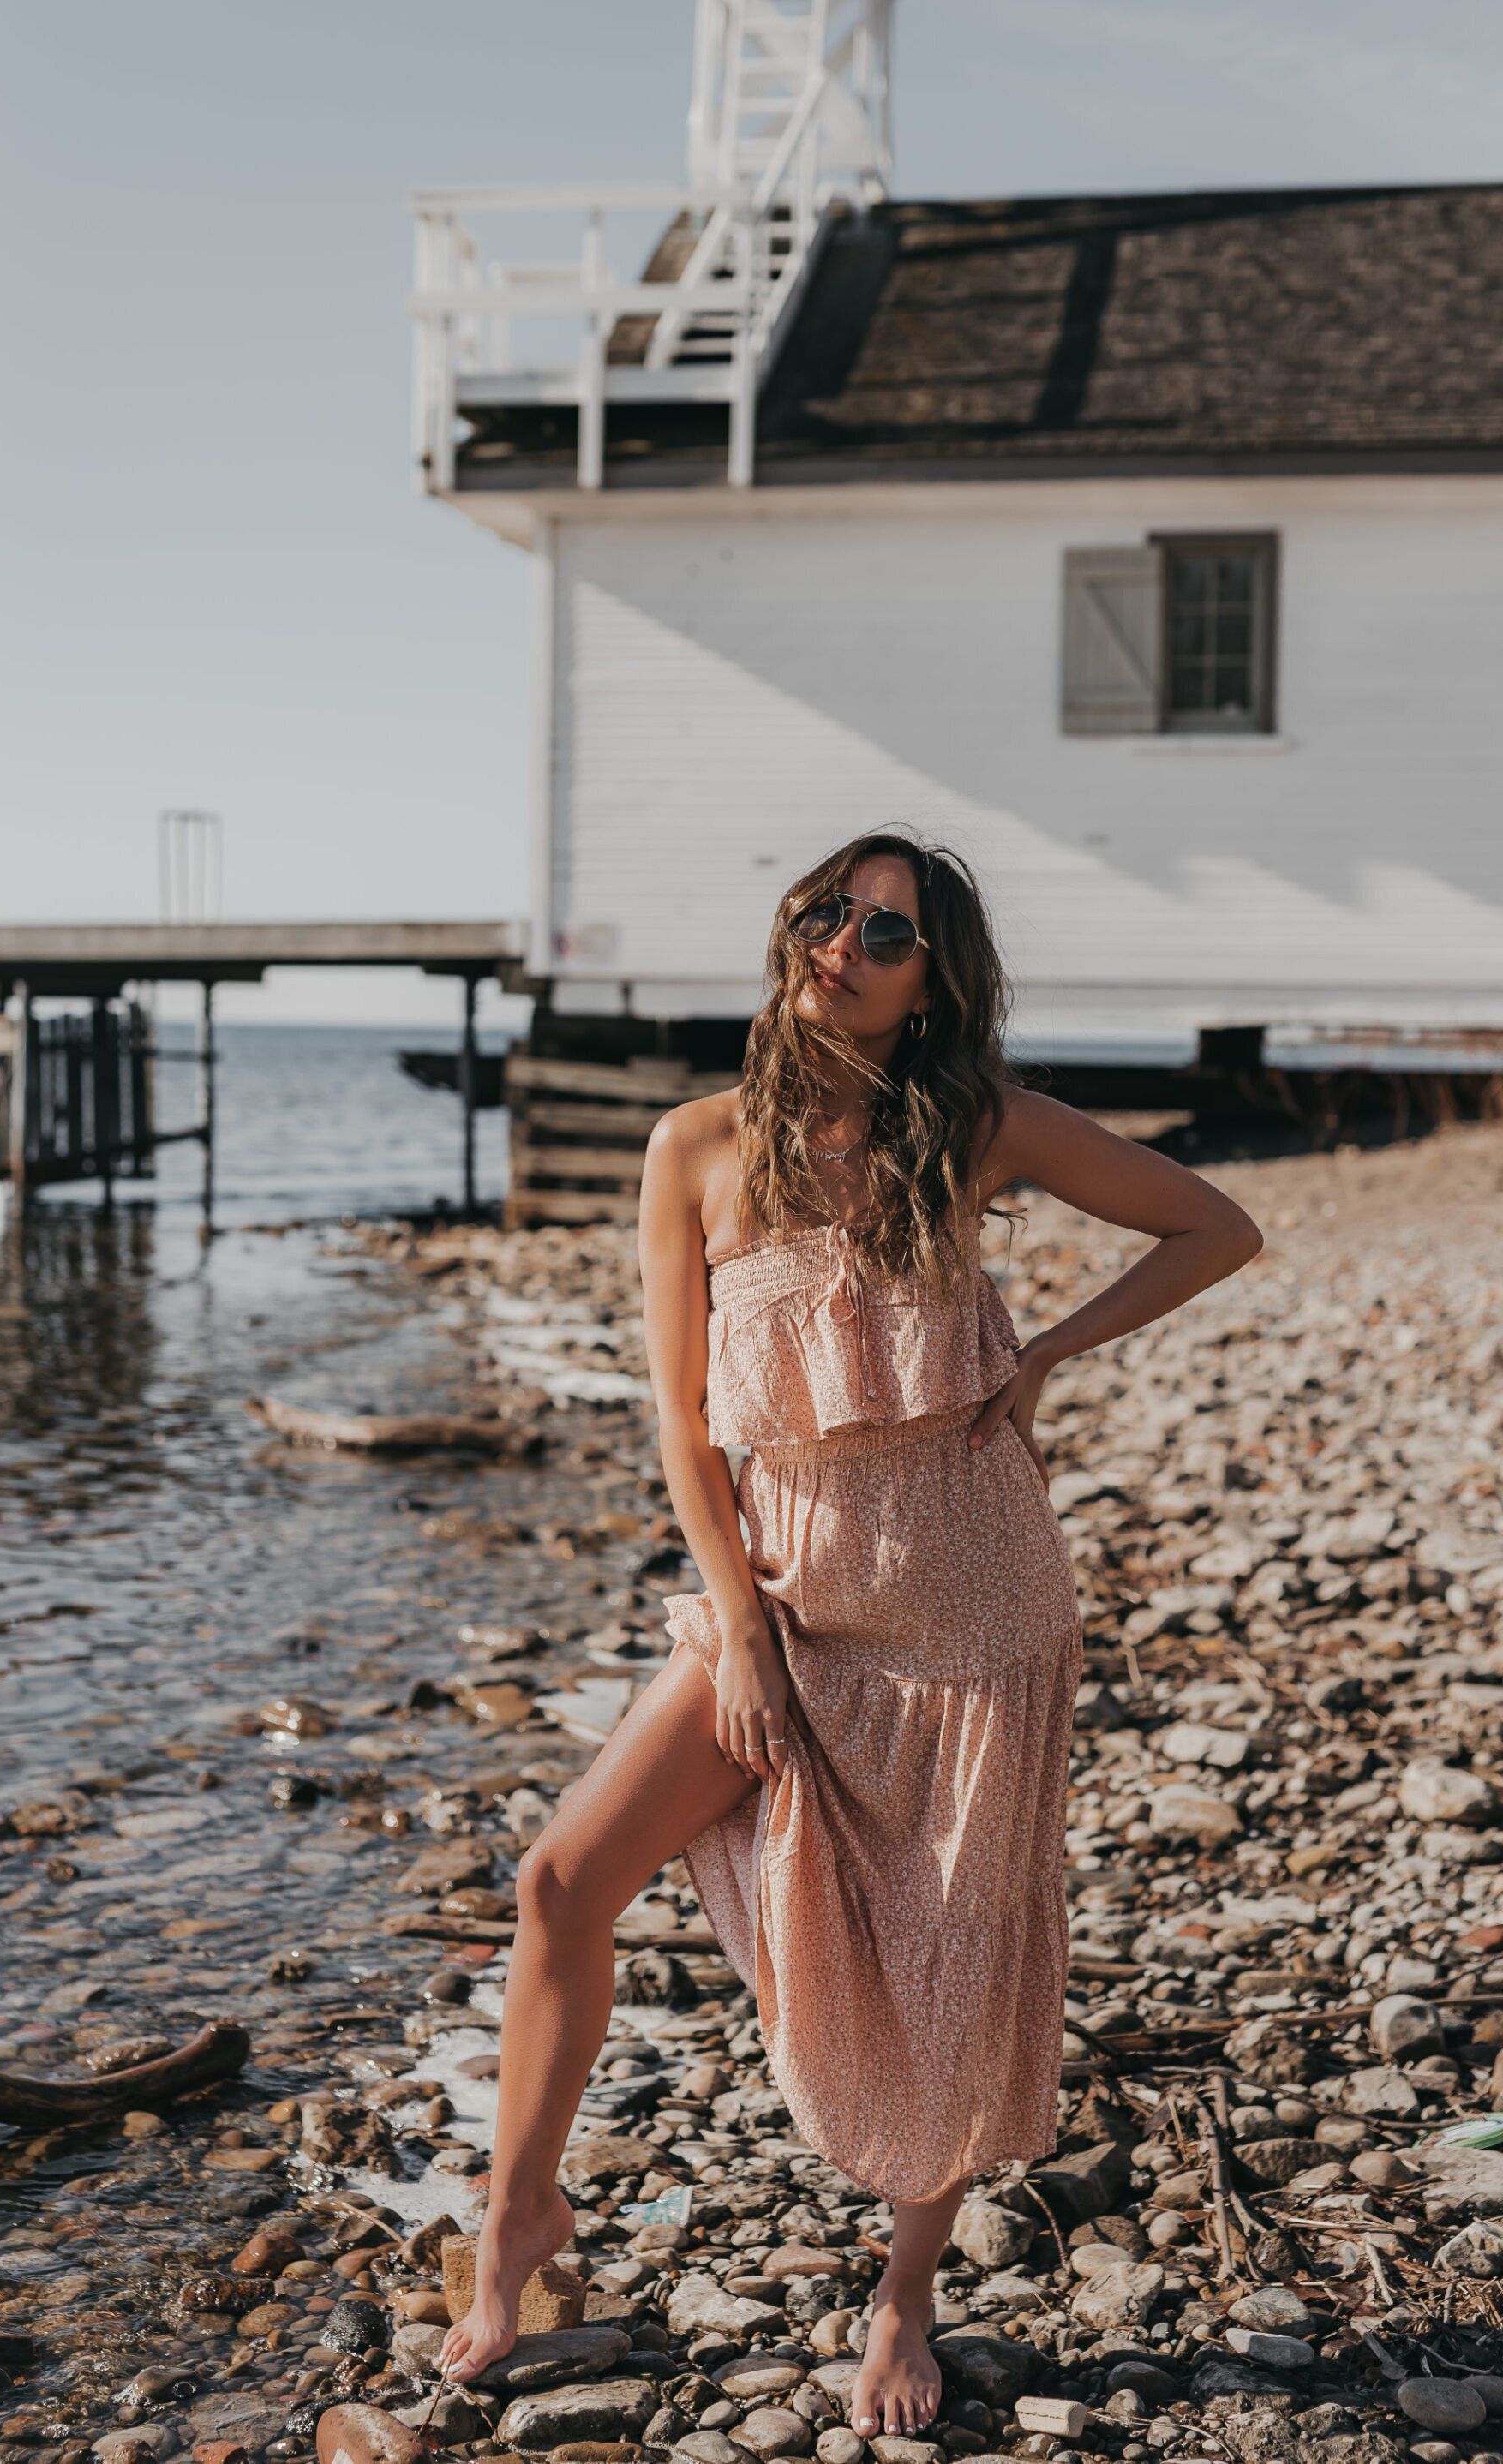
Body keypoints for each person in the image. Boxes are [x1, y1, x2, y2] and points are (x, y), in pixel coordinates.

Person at [439, 830, 1262, 2432]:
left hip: (974, 1601)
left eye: (887, 932)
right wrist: (738, 1633)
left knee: (947, 1957)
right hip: (790, 1589)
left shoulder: (981, 1130)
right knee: (561, 1881)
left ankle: (905, 2302)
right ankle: (517, 2220)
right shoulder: (690, 1146)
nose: (844, 944)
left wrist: (1045, 1358)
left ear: (933, 977)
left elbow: (1213, 1227)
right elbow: (684, 1430)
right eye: (827, 911)